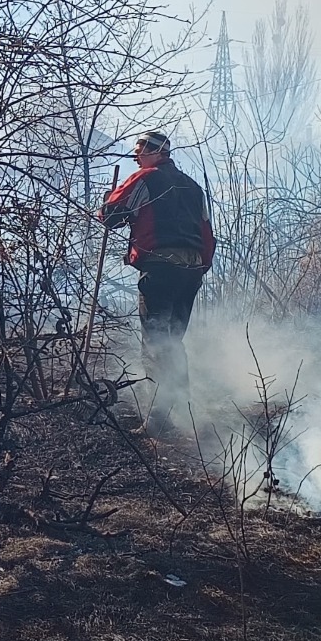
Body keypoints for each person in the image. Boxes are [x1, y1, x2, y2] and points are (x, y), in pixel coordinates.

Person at [99, 131, 215, 425]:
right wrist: (201, 267)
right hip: (192, 270)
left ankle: (159, 418)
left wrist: (107, 202)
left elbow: (112, 215)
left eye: (139, 151)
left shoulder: (146, 178)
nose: (136, 158)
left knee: (156, 341)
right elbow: (206, 234)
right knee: (173, 340)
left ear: (157, 152)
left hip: (161, 266)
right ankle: (181, 406)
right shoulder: (193, 188)